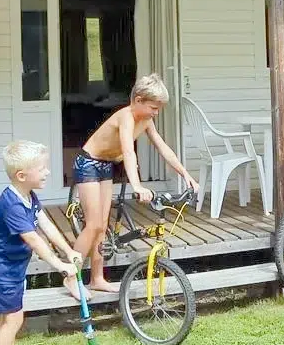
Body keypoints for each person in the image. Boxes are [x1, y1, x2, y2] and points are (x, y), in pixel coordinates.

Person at [69, 74, 199, 293]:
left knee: (102, 225)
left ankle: (97, 278)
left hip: (106, 165)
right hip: (88, 163)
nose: (156, 113)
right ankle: (71, 277)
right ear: (138, 100)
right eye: (153, 107)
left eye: (158, 109)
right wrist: (137, 186)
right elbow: (128, 151)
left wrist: (185, 174)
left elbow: (162, 147)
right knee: (92, 225)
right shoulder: (126, 117)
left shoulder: (146, 120)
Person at [0, 139, 84, 345]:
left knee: (8, 321)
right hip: (1, 272)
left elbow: (44, 224)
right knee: (13, 321)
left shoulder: (27, 195)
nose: (48, 172)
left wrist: (68, 250)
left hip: (11, 269)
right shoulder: (12, 205)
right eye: (43, 168)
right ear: (22, 175)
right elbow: (33, 239)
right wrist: (59, 265)